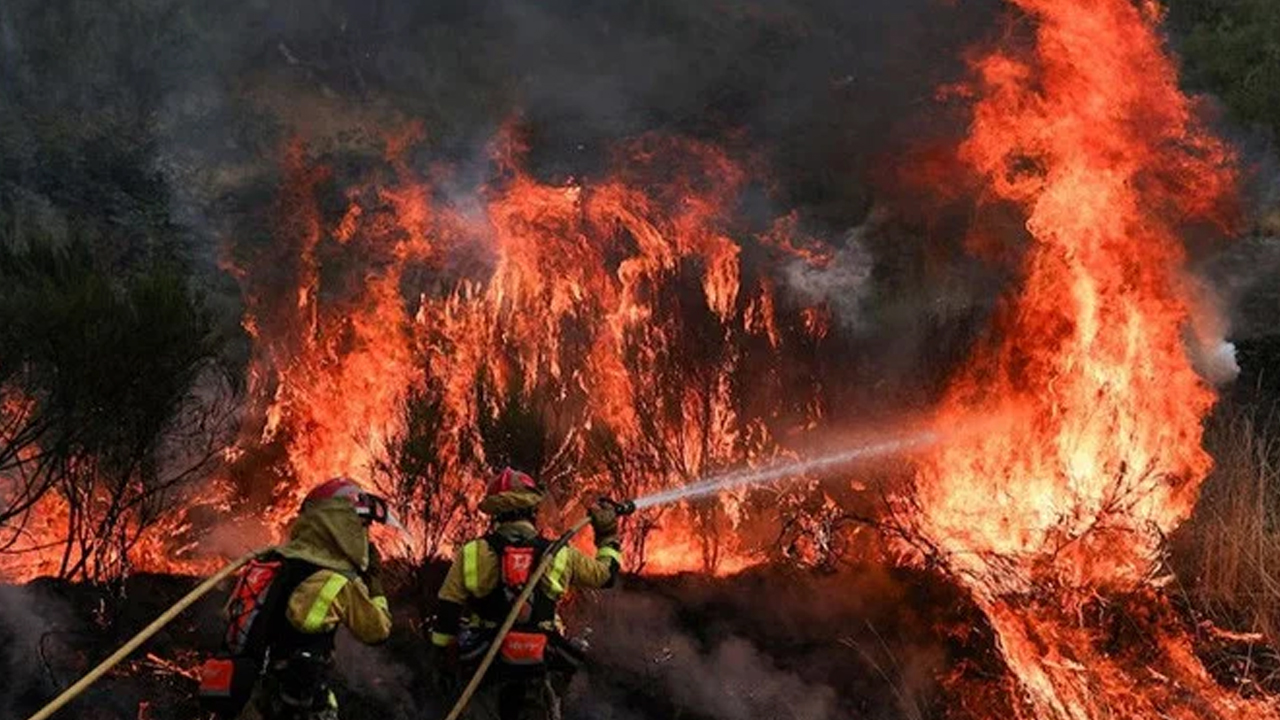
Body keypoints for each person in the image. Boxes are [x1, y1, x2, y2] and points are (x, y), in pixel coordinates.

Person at [429, 467, 623, 720]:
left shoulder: (472, 553)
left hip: (486, 671)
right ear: (533, 510)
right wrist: (607, 535)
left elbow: (447, 613)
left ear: (495, 514)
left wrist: (444, 662)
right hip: (540, 669)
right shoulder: (559, 553)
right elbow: (606, 575)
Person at [237, 477, 394, 720]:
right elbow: (377, 630)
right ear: (342, 526)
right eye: (362, 526)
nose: (365, 535)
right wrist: (374, 583)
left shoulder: (271, 562)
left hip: (255, 697)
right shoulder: (338, 579)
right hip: (299, 704)